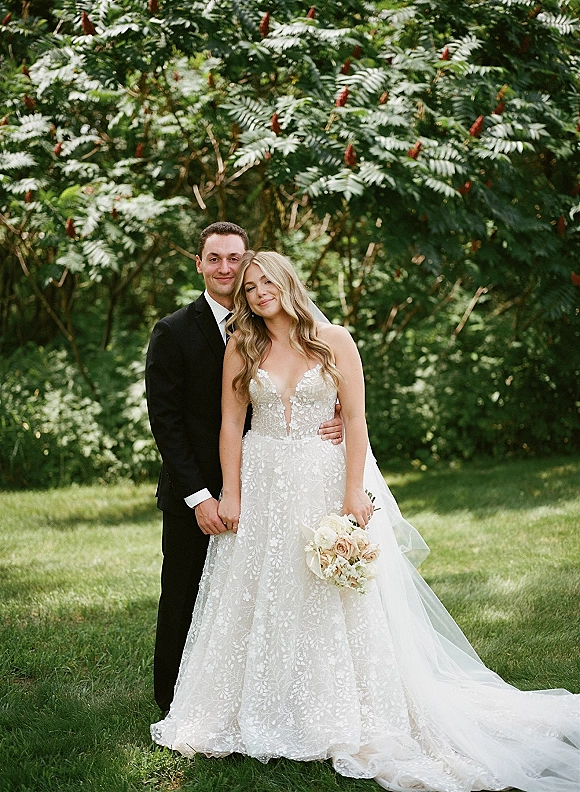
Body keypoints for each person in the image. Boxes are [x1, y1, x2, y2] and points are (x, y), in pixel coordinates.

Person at [151, 251, 579, 791]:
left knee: (326, 593)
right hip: (262, 480)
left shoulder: (336, 341)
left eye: (267, 282)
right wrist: (229, 493)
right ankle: (252, 704)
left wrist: (355, 491)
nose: (259, 292)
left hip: (321, 478)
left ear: (288, 283)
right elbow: (231, 424)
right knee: (261, 591)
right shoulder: (243, 344)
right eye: (251, 285)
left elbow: (354, 417)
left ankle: (333, 708)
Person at [145, 224, 343, 716]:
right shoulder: (173, 331)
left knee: (269, 589)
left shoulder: (271, 324)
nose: (227, 269)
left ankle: (264, 690)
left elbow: (312, 385)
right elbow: (166, 423)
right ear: (199, 264)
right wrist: (201, 497)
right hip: (200, 491)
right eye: (215, 258)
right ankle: (174, 697)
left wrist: (331, 412)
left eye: (236, 258)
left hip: (275, 481)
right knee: (187, 590)